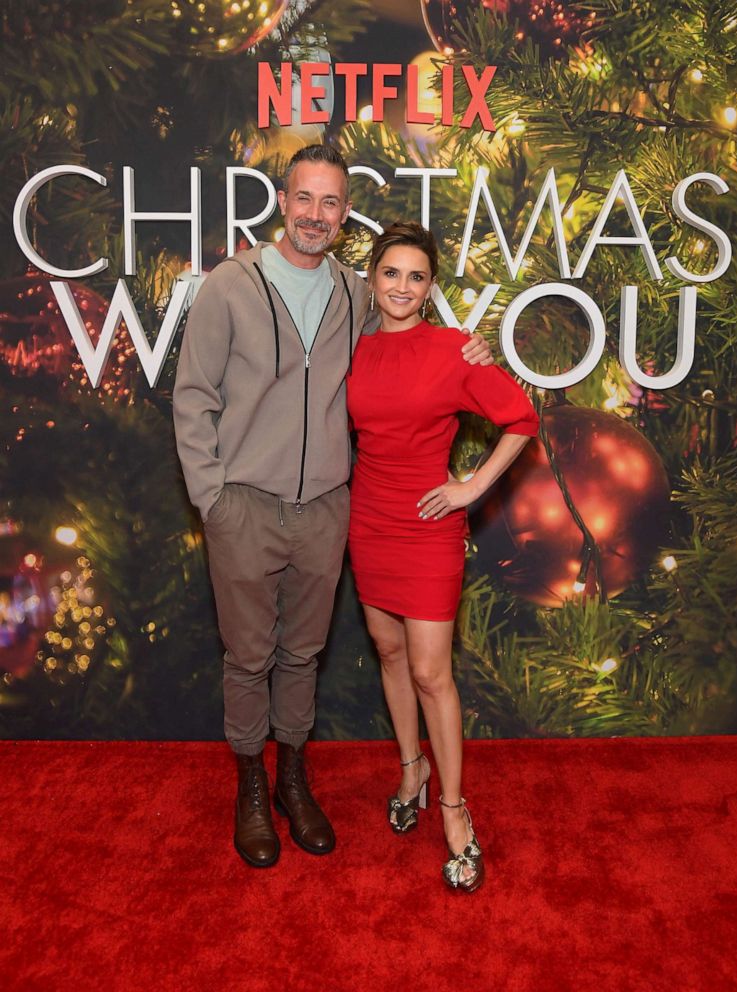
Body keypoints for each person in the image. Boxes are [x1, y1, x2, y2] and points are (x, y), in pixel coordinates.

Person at [172, 146, 493, 870]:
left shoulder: (356, 292)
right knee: (248, 656)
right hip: (244, 506)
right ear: (283, 202)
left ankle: (293, 777)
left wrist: (470, 348)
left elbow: (410, 348)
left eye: (331, 203)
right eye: (305, 199)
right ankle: (251, 784)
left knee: (303, 654)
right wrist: (213, 499)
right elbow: (193, 398)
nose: (316, 215)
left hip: (326, 509)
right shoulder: (231, 284)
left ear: (345, 214)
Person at [346, 222, 539, 892]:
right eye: (391, 273)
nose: (401, 286)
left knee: (432, 672)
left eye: (416, 276)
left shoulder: (454, 350)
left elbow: (521, 418)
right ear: (372, 279)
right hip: (367, 521)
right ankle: (411, 770)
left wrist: (474, 486)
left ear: (430, 289)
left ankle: (454, 809)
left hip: (427, 526)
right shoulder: (354, 347)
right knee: (388, 651)